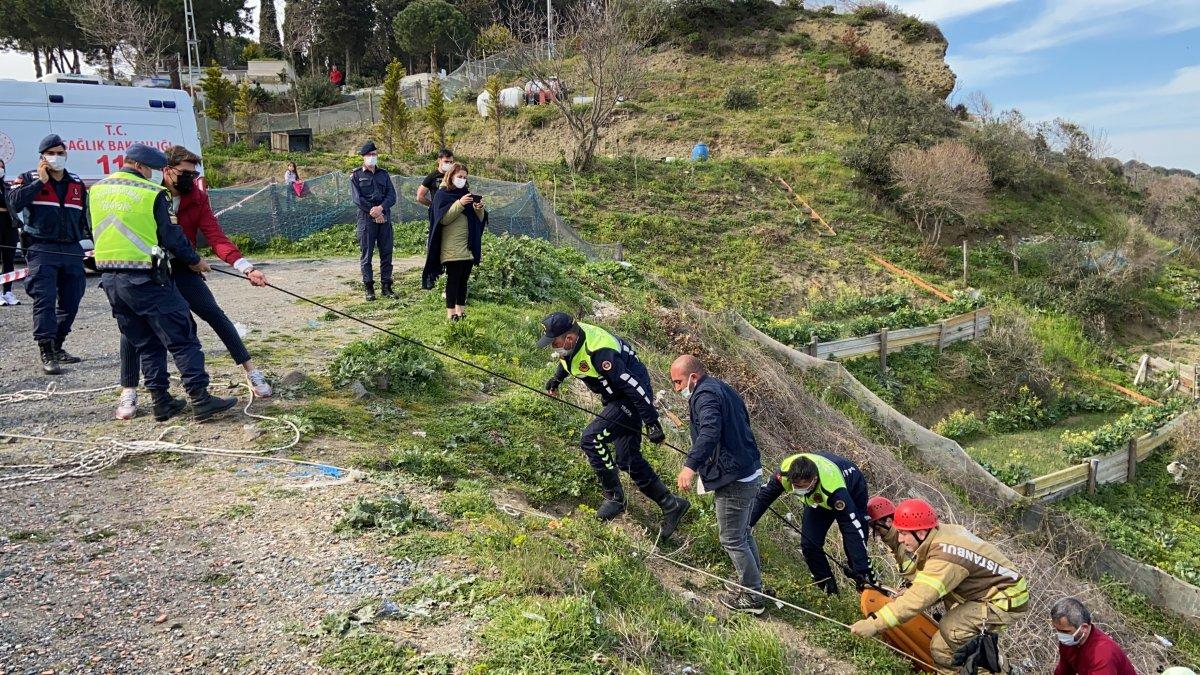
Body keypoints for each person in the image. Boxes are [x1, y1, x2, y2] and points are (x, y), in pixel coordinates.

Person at [114, 145, 273, 420]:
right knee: (134, 329)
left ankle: (251, 371)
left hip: (184, 267)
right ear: (167, 170)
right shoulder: (149, 193)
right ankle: (128, 390)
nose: (190, 178)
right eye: (184, 173)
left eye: (194, 173)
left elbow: (215, 234)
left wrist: (246, 268)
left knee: (213, 313)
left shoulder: (196, 198)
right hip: (150, 270)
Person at [90, 143, 236, 422]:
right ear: (142, 167)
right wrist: (195, 260)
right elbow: (170, 236)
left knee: (147, 344)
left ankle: (161, 401)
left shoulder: (97, 190)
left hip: (110, 280)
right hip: (146, 278)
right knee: (183, 337)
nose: (155, 175)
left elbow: (90, 228)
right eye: (154, 170)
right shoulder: (150, 193)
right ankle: (200, 399)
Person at [538, 312, 689, 537]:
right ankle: (672, 504)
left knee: (591, 438)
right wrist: (557, 379)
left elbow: (633, 385)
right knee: (628, 459)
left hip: (631, 397)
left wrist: (652, 422)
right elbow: (569, 361)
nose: (554, 348)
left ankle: (614, 497)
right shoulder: (572, 343)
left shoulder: (601, 352)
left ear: (569, 338)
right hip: (615, 397)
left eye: (555, 343)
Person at [849, 499, 1029, 674]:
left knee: (953, 629)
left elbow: (918, 599)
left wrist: (874, 624)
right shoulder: (939, 533)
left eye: (904, 533)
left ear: (920, 533)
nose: (901, 539)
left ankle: (993, 669)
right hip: (984, 593)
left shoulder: (945, 556)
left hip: (1005, 598)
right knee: (940, 649)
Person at [671, 355, 763, 615]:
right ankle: (756, 587)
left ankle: (752, 598)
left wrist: (690, 467)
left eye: (678, 382)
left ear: (693, 377)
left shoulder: (705, 396)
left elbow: (710, 431)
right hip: (749, 469)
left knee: (732, 537)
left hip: (735, 478)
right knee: (743, 533)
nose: (677, 389)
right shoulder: (723, 388)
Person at [4, 134, 91, 373]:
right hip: (42, 248)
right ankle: (46, 351)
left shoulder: (75, 182)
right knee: (44, 300)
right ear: (42, 157)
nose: (56, 157)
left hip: (72, 249)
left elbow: (84, 215)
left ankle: (58, 345)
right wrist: (39, 182)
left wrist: (90, 241)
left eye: (60, 153)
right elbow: (13, 203)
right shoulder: (28, 179)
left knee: (72, 300)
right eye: (51, 153)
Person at [748, 452, 875, 594]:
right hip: (817, 499)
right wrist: (746, 524)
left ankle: (867, 583)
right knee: (809, 545)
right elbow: (763, 497)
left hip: (851, 486)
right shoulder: (784, 472)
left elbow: (851, 527)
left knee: (856, 550)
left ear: (814, 480)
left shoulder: (835, 492)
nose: (798, 489)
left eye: (803, 486)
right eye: (795, 485)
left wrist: (860, 567)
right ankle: (828, 591)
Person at [423, 162, 484, 321]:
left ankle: (461, 312)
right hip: (452, 247)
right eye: (459, 176)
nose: (462, 180)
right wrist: (460, 204)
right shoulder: (442, 194)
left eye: (464, 177)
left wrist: (478, 208)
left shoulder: (466, 194)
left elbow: (478, 221)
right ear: (451, 176)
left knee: (464, 280)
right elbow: (443, 219)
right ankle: (450, 314)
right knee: (453, 280)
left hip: (467, 246)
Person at [349, 141, 396, 301]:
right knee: (367, 255)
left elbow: (392, 196)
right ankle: (369, 288)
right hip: (366, 220)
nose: (372, 157)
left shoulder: (384, 174)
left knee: (386, 253)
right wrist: (374, 212)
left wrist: (381, 209)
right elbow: (357, 199)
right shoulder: (356, 175)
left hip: (385, 218)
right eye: (369, 155)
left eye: (374, 154)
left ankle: (386, 287)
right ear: (363, 157)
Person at [1050, 597, 1136, 675]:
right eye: (1057, 630)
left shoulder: (1102, 654)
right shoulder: (1069, 642)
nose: (1060, 635)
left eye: (1065, 631)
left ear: (1084, 628)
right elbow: (1064, 671)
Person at [867, 496, 916, 582]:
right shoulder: (897, 546)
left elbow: (918, 584)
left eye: (878, 529)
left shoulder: (905, 546)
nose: (877, 534)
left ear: (889, 521)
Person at [0, 158, 20, 306]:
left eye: (2, 167)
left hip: (9, 225)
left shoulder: (7, 187)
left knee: (9, 260)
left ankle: (8, 291)